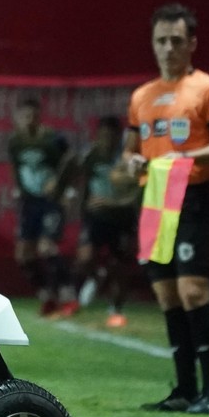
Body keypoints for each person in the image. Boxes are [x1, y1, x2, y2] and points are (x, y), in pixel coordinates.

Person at [127, 3, 209, 415]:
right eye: (161, 40)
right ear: (152, 43)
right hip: (155, 198)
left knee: (194, 290)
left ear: (192, 43)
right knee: (167, 293)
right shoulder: (141, 96)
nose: (168, 48)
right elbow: (129, 150)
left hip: (192, 197)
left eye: (177, 40)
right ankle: (184, 390)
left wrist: (188, 157)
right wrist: (131, 161)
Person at [8, 98, 77, 318]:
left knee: (47, 247)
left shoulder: (53, 139)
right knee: (23, 255)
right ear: (18, 118)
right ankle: (46, 295)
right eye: (25, 116)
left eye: (33, 116)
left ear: (39, 117)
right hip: (29, 202)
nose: (29, 120)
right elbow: (17, 168)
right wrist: (19, 190)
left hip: (51, 201)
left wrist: (62, 186)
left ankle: (67, 295)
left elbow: (71, 160)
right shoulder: (15, 142)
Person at [73, 116, 140, 327]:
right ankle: (97, 276)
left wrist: (113, 203)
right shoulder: (91, 156)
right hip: (96, 217)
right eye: (103, 136)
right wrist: (82, 206)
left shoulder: (129, 160)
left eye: (111, 136)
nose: (107, 140)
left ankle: (116, 309)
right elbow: (82, 183)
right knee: (85, 258)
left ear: (119, 137)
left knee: (120, 266)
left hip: (122, 218)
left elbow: (136, 192)